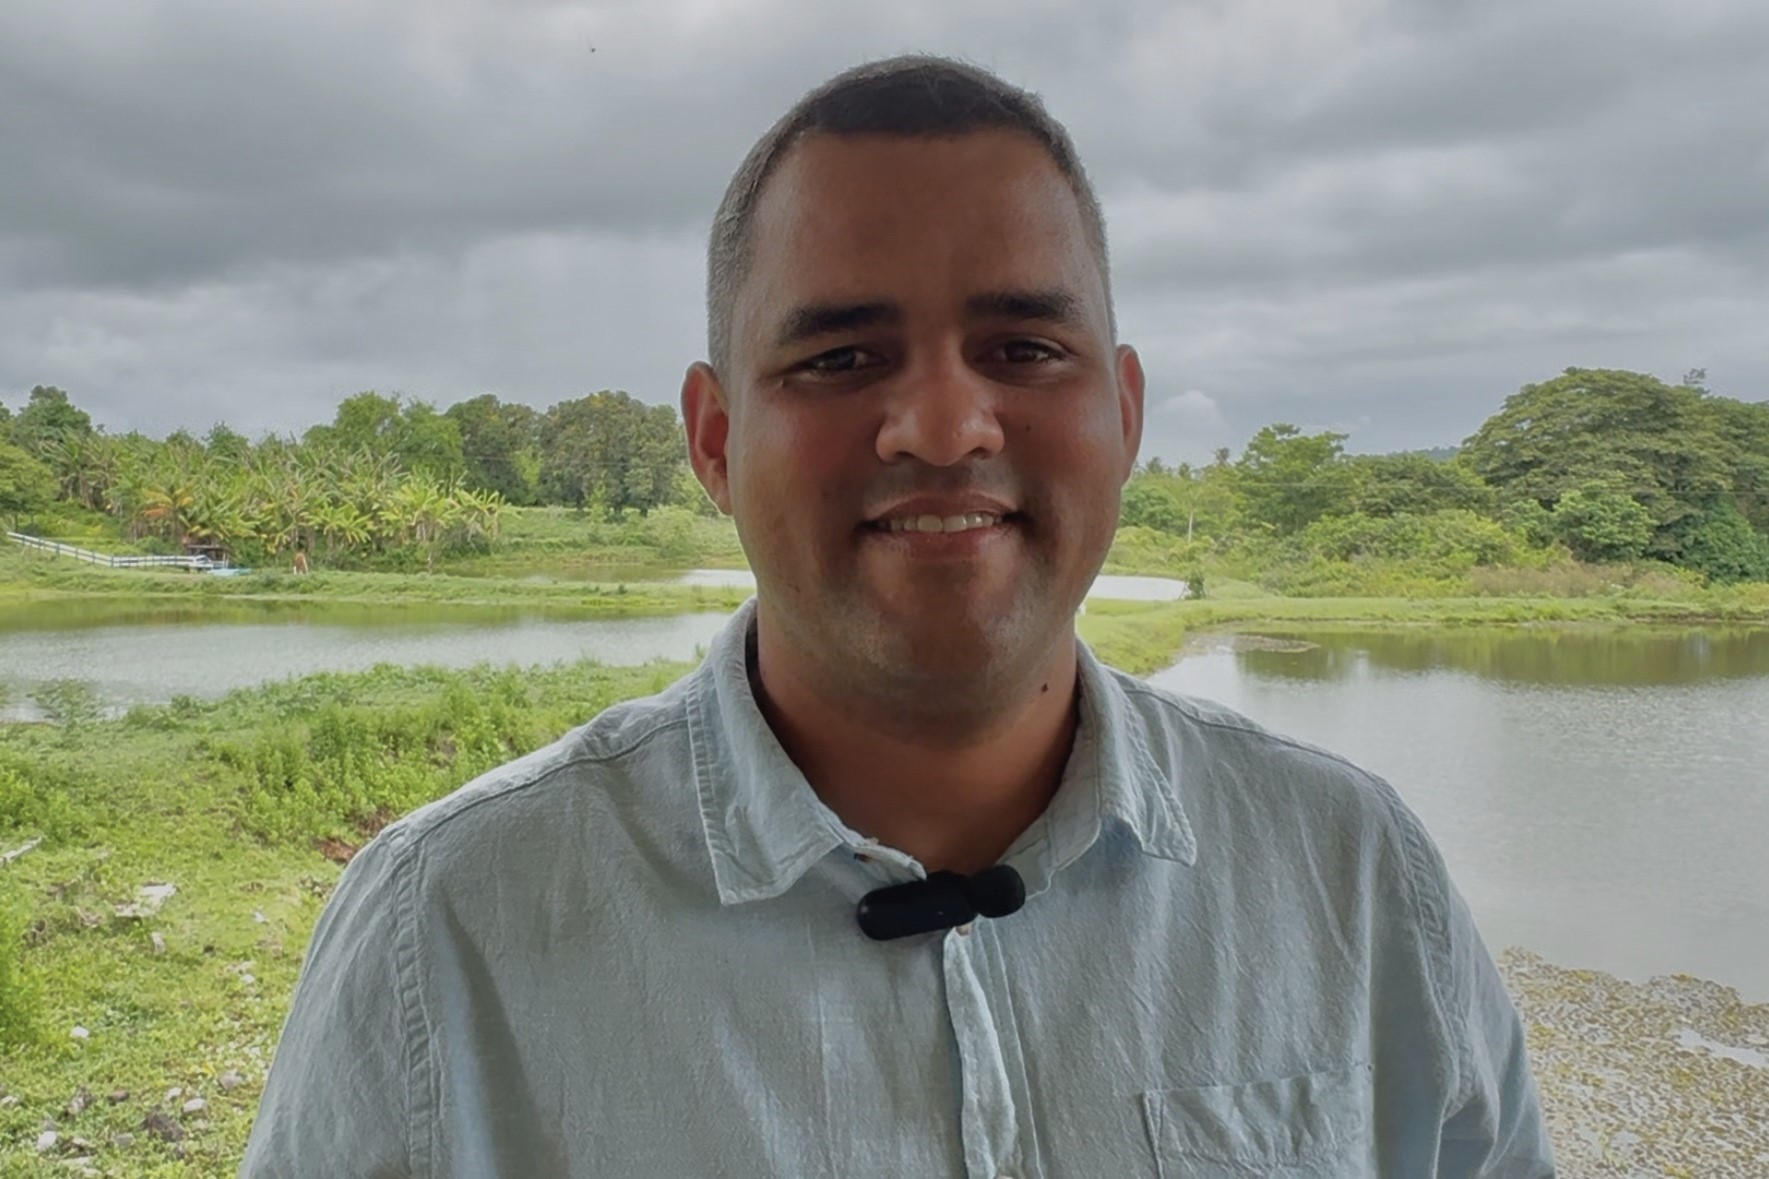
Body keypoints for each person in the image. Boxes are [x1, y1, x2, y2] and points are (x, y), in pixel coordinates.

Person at [241, 55, 1556, 1177]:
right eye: (839, 359)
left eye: (1023, 350)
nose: (941, 425)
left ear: (1124, 414)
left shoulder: (1350, 875)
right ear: (714, 440)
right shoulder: (448, 931)